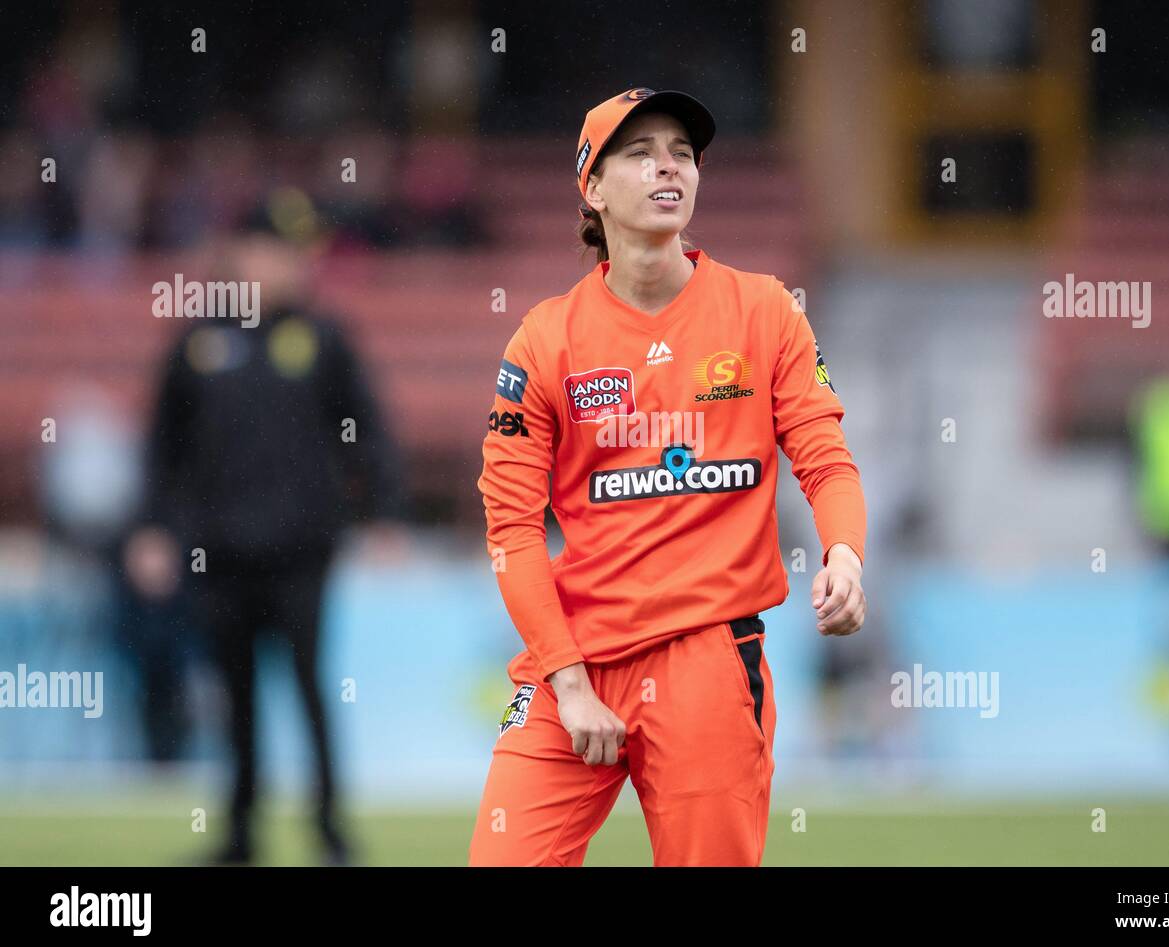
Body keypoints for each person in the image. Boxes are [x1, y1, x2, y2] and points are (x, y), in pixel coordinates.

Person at [470, 89, 867, 866]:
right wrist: (568, 679)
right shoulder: (544, 340)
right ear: (592, 187)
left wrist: (844, 553)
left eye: (682, 153)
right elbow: (511, 527)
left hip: (708, 663)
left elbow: (823, 453)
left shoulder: (766, 312)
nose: (668, 167)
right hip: (571, 663)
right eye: (641, 152)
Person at [124, 189, 407, 864]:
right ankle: (240, 830)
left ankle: (329, 826)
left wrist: (385, 515)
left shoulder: (324, 337)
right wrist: (153, 529)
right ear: (242, 253)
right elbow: (163, 447)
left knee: (311, 685)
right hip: (219, 550)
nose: (291, 265)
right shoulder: (198, 342)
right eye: (278, 249)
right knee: (234, 693)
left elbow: (368, 433)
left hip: (303, 548)